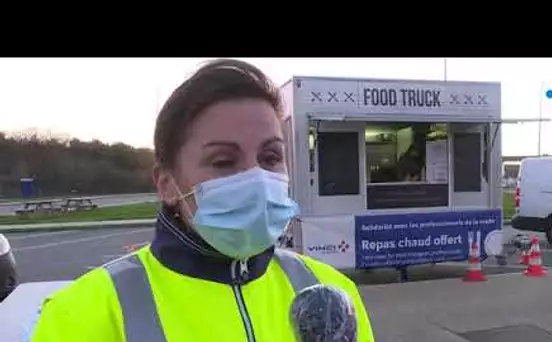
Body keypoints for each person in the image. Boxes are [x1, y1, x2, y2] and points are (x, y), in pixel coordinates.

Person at [27, 59, 375, 341]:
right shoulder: (81, 314)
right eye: (223, 162)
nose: (255, 178)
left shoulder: (332, 291)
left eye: (270, 157)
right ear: (167, 184)